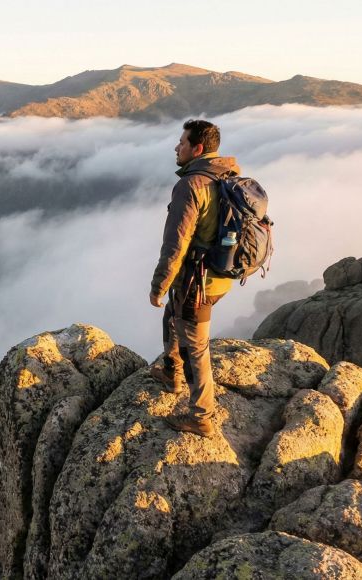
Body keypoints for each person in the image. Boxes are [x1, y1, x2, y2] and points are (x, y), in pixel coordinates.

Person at [149, 119, 239, 437]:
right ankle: (171, 372)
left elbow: (176, 243)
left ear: (197, 149)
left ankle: (202, 416)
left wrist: (159, 283)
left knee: (195, 346)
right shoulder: (226, 175)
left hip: (197, 281)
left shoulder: (191, 185)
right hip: (218, 276)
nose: (177, 147)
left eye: (182, 142)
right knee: (172, 314)